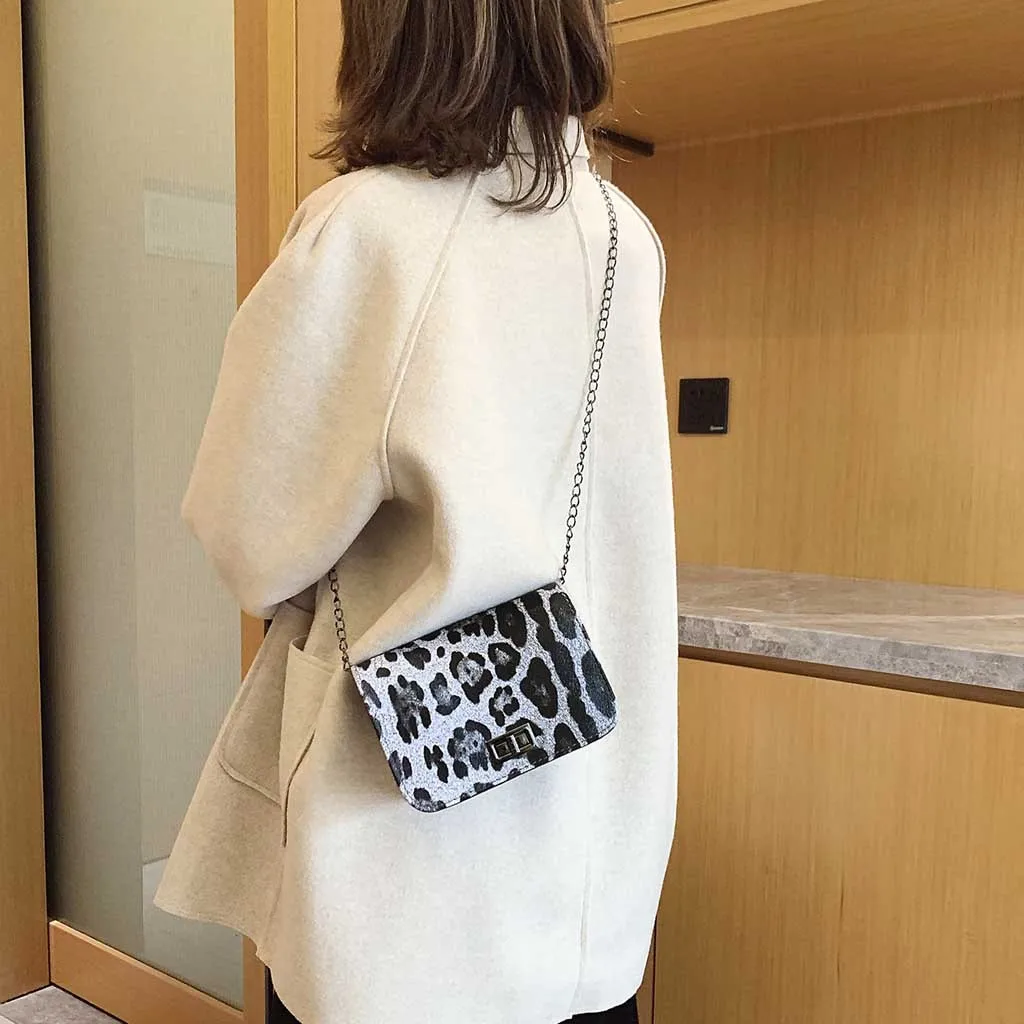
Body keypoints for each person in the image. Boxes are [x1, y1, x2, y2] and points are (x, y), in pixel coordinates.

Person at [155, 1, 677, 1022]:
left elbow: (248, 540)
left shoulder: (371, 230)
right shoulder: (625, 235)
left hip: (408, 880)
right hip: (590, 854)